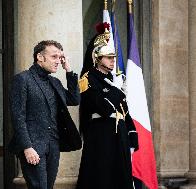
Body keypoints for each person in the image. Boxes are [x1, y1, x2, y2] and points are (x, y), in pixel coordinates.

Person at [8, 40, 82, 189]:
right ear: (40, 57)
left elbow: (74, 99)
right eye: (54, 57)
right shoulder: (23, 79)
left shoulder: (55, 82)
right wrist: (27, 147)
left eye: (60, 58)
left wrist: (68, 71)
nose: (58, 61)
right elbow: (18, 117)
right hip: (33, 147)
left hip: (53, 146)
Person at [76, 25, 139, 189]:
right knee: (101, 177)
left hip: (120, 133)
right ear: (97, 58)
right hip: (101, 133)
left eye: (113, 57)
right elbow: (104, 107)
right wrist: (115, 90)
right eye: (108, 57)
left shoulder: (114, 80)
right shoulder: (88, 79)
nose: (112, 60)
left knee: (121, 178)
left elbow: (124, 110)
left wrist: (132, 133)